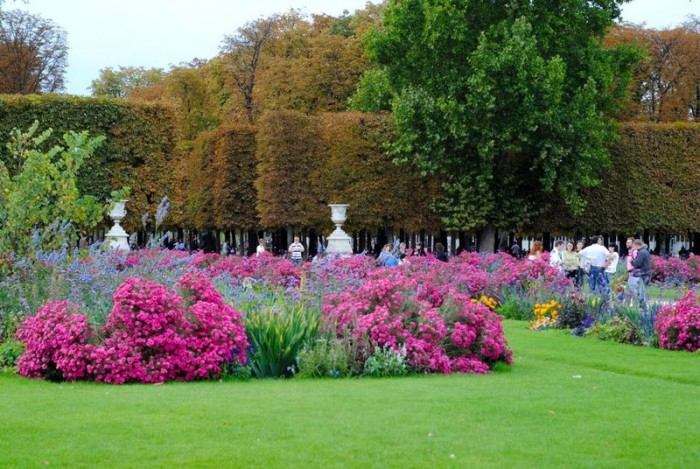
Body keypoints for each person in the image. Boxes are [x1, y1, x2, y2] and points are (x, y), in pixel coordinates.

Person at [630, 239, 651, 309]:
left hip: (642, 273)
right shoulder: (645, 251)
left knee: (640, 290)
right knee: (642, 289)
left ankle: (642, 306)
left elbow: (638, 263)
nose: (633, 247)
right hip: (646, 272)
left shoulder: (641, 252)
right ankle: (642, 305)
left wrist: (632, 262)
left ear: (636, 245)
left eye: (634, 246)